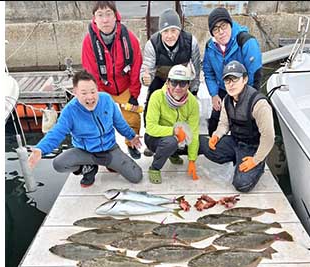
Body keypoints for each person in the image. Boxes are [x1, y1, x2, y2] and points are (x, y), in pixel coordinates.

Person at [27, 70, 143, 188]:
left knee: (136, 176)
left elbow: (120, 123)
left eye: (93, 91)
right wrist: (41, 149)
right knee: (59, 164)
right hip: (86, 152)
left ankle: (111, 163)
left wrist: (131, 136)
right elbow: (57, 132)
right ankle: (88, 167)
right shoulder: (70, 111)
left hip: (109, 148)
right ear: (75, 92)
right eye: (84, 93)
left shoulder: (106, 99)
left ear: (97, 89)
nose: (90, 97)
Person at [199, 61, 274, 193]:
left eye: (235, 79)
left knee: (241, 185)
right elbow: (224, 124)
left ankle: (258, 166)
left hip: (253, 148)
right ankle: (235, 158)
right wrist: (216, 135)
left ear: (245, 79)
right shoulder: (227, 99)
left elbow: (269, 138)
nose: (231, 84)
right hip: (234, 141)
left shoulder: (259, 104)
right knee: (201, 143)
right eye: (227, 81)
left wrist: (255, 160)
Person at [81, 1, 144, 159]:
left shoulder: (129, 39)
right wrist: (100, 98)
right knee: (102, 121)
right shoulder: (88, 43)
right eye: (100, 15)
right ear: (94, 19)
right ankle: (105, 149)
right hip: (102, 88)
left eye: (108, 14)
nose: (105, 20)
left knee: (133, 118)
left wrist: (134, 95)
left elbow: (136, 68)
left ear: (116, 16)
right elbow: (91, 75)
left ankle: (132, 144)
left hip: (125, 87)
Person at [202, 7, 263, 137]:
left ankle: (248, 149)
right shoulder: (210, 47)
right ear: (212, 33)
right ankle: (216, 148)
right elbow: (208, 72)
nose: (221, 32)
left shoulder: (247, 42)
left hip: (244, 90)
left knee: (245, 124)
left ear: (230, 24)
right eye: (216, 29)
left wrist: (246, 101)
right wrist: (214, 94)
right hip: (223, 89)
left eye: (223, 26)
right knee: (214, 122)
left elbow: (255, 75)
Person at [140, 8, 201, 128]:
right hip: (160, 78)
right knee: (151, 102)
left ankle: (186, 133)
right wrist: (145, 78)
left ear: (180, 30)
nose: (170, 36)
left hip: (181, 77)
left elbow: (197, 68)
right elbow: (147, 69)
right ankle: (151, 131)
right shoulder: (152, 44)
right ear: (160, 32)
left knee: (188, 106)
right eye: (165, 31)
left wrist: (194, 89)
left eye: (173, 30)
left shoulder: (191, 42)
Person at [144, 64, 200, 184]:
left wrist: (192, 160)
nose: (178, 87)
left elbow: (194, 132)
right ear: (168, 82)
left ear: (188, 85)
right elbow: (150, 128)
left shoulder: (193, 102)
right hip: (154, 138)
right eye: (174, 82)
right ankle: (154, 168)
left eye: (183, 83)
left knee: (196, 141)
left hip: (177, 137)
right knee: (171, 141)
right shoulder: (157, 96)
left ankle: (172, 153)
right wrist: (173, 131)